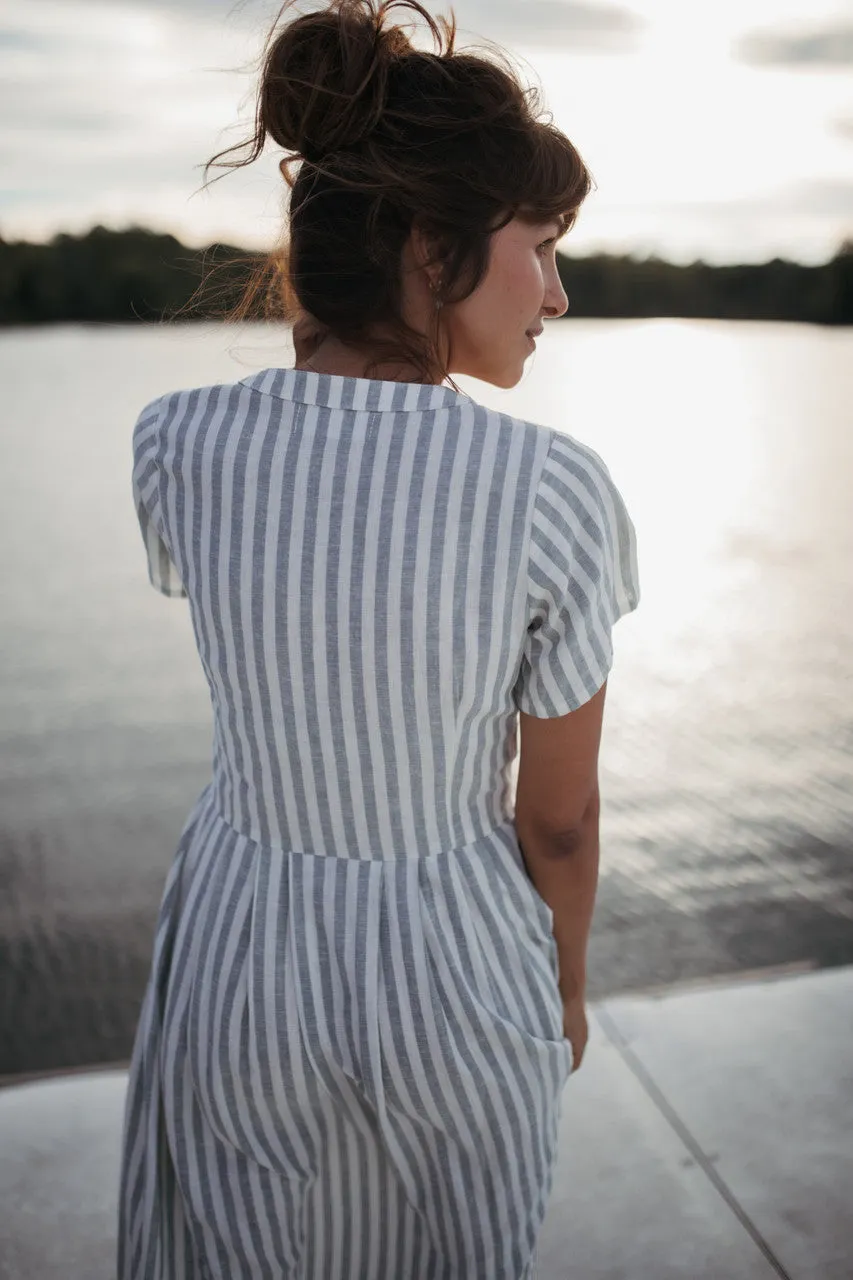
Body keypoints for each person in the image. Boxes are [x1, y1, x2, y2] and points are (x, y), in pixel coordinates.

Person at [117, 0, 640, 1276]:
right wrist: (561, 988)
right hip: (451, 967)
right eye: (542, 247)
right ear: (427, 242)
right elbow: (558, 824)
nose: (557, 296)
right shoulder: (549, 490)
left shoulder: (177, 441)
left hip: (239, 941)